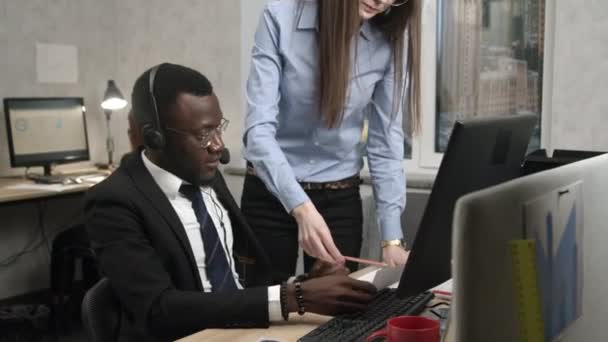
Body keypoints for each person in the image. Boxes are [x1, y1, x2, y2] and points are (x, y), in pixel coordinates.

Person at [85, 63, 376, 341]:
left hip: (240, 331)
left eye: (218, 128)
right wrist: (295, 298)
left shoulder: (207, 177)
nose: (218, 146)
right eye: (203, 134)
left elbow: (241, 284)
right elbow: (158, 309)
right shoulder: (114, 202)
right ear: (154, 137)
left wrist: (301, 285)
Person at [242, 0, 421, 280]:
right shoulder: (279, 18)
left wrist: (392, 240)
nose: (382, 1)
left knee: (335, 314)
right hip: (270, 194)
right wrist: (300, 206)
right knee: (265, 310)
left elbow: (385, 142)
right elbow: (258, 132)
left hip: (338, 198)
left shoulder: (390, 36)